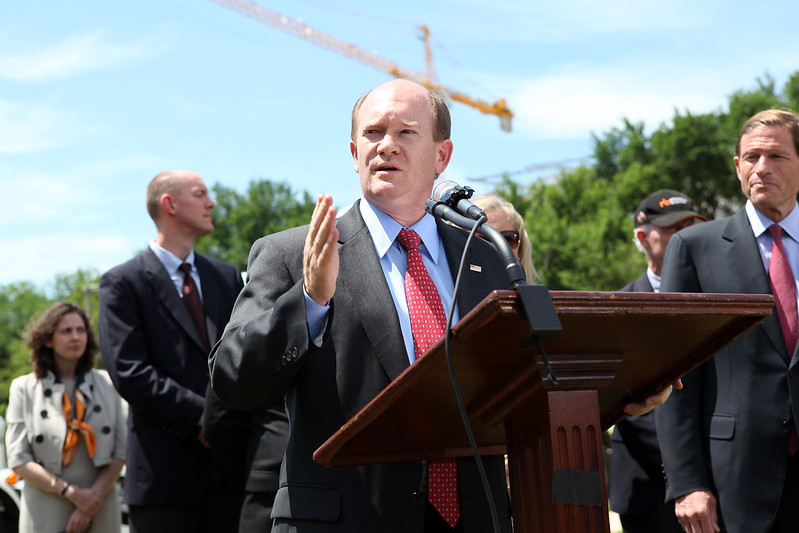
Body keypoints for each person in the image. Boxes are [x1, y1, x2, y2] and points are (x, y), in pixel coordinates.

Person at [208, 79, 673, 533]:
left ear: (441, 156)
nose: (386, 145)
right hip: (347, 518)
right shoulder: (292, 254)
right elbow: (233, 381)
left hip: (476, 516)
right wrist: (309, 301)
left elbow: (522, 383)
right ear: (354, 153)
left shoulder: (485, 255)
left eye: (406, 132)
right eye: (373, 132)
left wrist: (619, 394)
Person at [656, 108, 799, 533]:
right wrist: (688, 483)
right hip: (734, 480)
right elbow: (675, 373)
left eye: (776, 156)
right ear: (737, 167)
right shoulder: (694, 248)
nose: (761, 168)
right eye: (751, 157)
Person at [98, 170, 246, 533]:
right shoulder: (124, 282)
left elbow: (243, 356)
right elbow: (129, 372)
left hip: (231, 474)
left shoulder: (226, 277)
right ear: (170, 204)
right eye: (199, 194)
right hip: (163, 477)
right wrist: (203, 418)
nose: (211, 203)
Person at [610, 190, 705, 533]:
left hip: (712, 486)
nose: (684, 235)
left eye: (690, 226)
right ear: (641, 237)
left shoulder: (714, 298)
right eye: (672, 228)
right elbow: (620, 397)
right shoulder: (618, 306)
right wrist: (688, 466)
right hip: (647, 491)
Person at [5, 302, 126, 533]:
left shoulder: (108, 384)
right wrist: (71, 493)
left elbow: (121, 452)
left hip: (99, 505)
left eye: (81, 330)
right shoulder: (24, 388)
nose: (76, 337)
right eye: (66, 331)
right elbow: (18, 459)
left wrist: (89, 503)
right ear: (47, 339)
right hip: (46, 508)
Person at [472, 194, 538, 284]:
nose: (497, 247)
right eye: (482, 239)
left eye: (507, 239)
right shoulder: (451, 292)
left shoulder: (536, 294)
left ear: (520, 249)